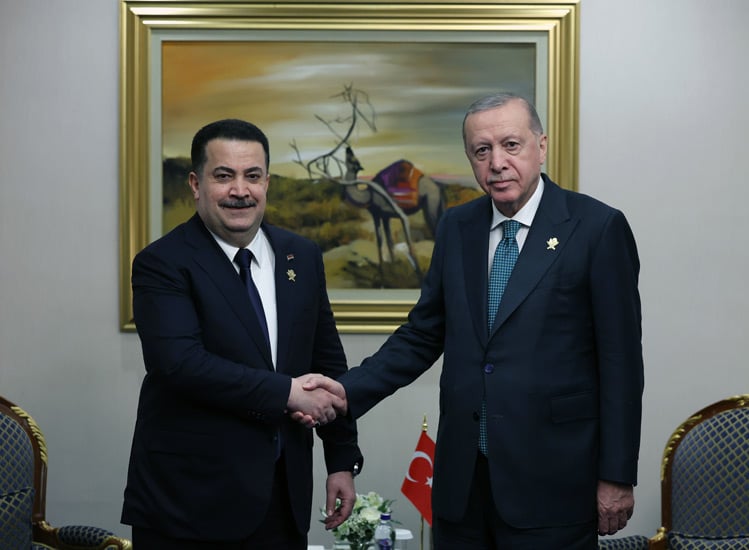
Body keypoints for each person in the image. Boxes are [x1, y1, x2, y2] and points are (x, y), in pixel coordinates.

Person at [302, 93, 644, 549]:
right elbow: (423, 334)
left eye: (511, 145)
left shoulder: (597, 228)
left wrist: (617, 475)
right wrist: (347, 391)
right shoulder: (456, 227)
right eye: (482, 150)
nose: (497, 163)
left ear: (541, 146)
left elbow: (622, 364)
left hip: (554, 484)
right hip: (463, 488)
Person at [121, 118, 363, 549]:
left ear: (267, 182)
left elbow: (327, 363)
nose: (240, 190)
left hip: (283, 498)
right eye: (223, 176)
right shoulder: (162, 263)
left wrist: (341, 460)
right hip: (189, 504)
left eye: (252, 176)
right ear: (196, 184)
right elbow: (180, 365)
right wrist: (288, 393)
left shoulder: (301, 255)